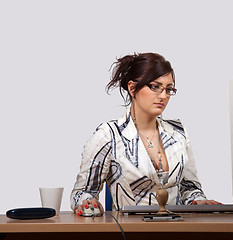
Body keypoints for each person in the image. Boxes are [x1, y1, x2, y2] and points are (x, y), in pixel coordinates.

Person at [70, 52, 220, 216]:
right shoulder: (109, 135)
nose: (163, 96)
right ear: (132, 88)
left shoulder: (178, 132)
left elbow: (190, 188)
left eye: (168, 89)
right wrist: (87, 202)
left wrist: (197, 200)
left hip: (177, 229)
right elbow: (82, 193)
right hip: (130, 232)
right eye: (155, 87)